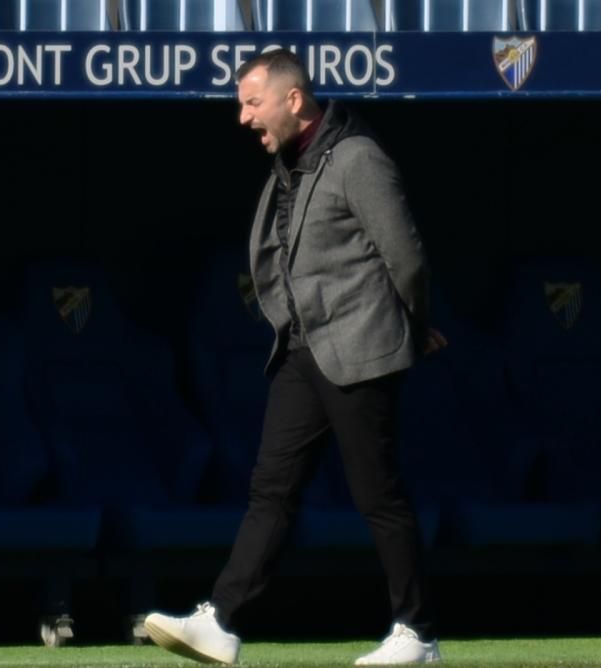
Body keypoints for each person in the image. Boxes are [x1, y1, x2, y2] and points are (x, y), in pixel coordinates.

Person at [143, 49, 445, 665]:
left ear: (293, 99)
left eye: (251, 103)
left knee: (377, 496)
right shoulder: (291, 164)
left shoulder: (358, 157)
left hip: (362, 348)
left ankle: (417, 632)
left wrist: (415, 325)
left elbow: (406, 256)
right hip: (301, 350)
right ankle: (221, 620)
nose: (242, 117)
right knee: (270, 490)